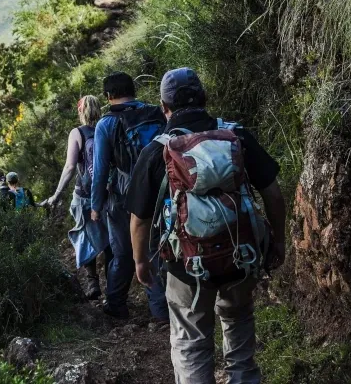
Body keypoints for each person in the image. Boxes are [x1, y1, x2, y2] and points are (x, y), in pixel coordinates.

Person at [127, 67, 287, 384]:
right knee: (238, 323)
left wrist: (140, 261)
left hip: (186, 266)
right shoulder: (236, 137)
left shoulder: (156, 151)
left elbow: (139, 220)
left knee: (192, 341)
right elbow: (272, 192)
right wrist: (278, 240)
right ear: (205, 98)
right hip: (241, 255)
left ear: (164, 107)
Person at [91, 72, 168, 320]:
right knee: (155, 248)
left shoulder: (106, 123)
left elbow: (100, 169)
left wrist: (96, 204)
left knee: (123, 252)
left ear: (108, 96)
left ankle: (116, 305)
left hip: (123, 197)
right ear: (132, 90)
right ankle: (162, 310)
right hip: (160, 191)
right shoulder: (156, 113)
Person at [47, 95, 111, 300]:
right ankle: (113, 286)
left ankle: (92, 283)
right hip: (107, 194)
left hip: (83, 195)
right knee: (110, 240)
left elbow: (70, 166)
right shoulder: (107, 128)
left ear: (80, 111)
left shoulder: (77, 133)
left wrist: (57, 194)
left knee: (85, 238)